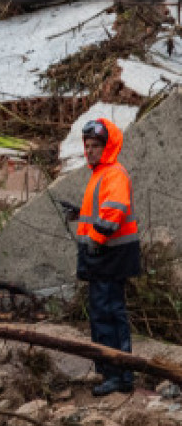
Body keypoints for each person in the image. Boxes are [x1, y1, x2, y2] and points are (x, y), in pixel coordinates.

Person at [68, 118, 140, 397]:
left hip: (110, 258)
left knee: (109, 315)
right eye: (87, 145)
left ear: (107, 146)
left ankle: (119, 375)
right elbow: (103, 213)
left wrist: (95, 242)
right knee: (102, 315)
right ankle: (109, 371)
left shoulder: (114, 174)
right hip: (104, 258)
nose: (90, 150)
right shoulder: (101, 174)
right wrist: (79, 214)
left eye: (95, 145)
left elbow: (113, 213)